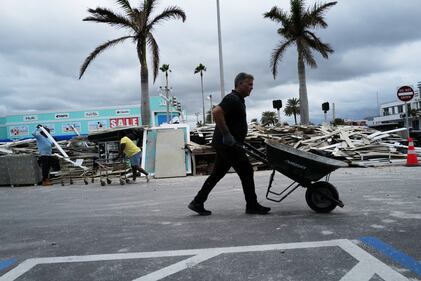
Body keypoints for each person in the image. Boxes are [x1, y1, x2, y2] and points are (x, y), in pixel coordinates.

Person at [188, 72, 271, 215]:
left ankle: (197, 202)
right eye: (249, 84)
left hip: (229, 144)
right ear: (240, 84)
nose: (252, 88)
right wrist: (226, 135)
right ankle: (252, 205)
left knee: (217, 174)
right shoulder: (232, 98)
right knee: (246, 171)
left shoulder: (239, 100)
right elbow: (216, 111)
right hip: (228, 144)